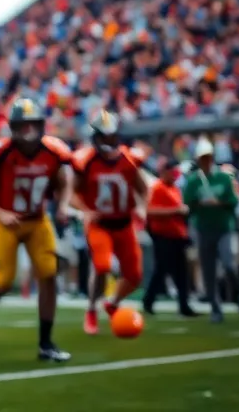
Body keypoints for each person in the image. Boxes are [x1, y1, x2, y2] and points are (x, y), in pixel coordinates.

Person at [0, 97, 72, 362]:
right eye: (23, 126)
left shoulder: (52, 151)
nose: (28, 132)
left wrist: (63, 205)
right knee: (3, 280)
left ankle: (46, 343)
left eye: (33, 125)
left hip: (36, 219)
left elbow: (63, 181)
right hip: (6, 222)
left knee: (48, 274)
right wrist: (1, 213)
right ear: (13, 128)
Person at [71, 110, 148, 334]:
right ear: (96, 137)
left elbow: (142, 189)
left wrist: (141, 208)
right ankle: (92, 309)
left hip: (124, 223)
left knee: (134, 276)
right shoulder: (85, 160)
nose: (110, 141)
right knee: (102, 266)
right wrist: (86, 210)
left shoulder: (129, 159)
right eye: (106, 137)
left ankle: (112, 303)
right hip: (99, 223)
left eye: (113, 136)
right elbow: (73, 194)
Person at [182, 136, 239, 323]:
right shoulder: (194, 180)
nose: (206, 161)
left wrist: (218, 202)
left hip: (223, 227)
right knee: (208, 270)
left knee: (228, 264)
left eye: (208, 157)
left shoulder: (224, 177)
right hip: (203, 228)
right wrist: (199, 203)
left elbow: (233, 201)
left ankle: (237, 294)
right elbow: (188, 204)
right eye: (202, 158)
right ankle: (215, 307)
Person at [142, 156, 196, 316]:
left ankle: (183, 304)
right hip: (162, 235)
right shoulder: (157, 188)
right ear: (164, 171)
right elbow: (149, 211)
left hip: (177, 235)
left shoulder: (175, 189)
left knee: (180, 272)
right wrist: (176, 211)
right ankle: (149, 299)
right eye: (172, 171)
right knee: (162, 269)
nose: (174, 175)